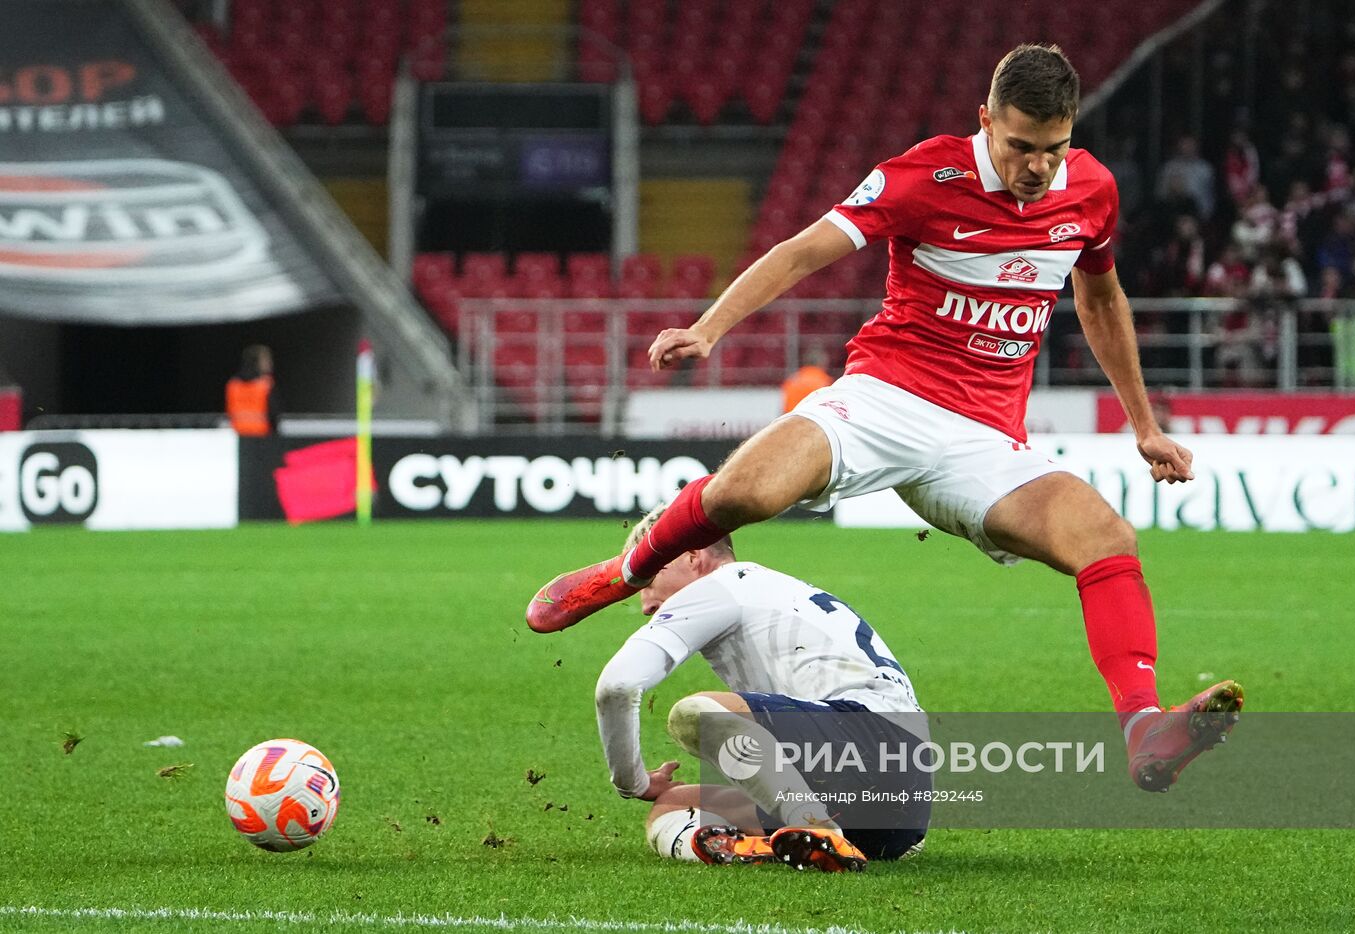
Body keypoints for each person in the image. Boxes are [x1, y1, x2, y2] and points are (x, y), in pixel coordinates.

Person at [529, 44, 1243, 792]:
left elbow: (1100, 300)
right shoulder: (925, 175)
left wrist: (1144, 425)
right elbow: (804, 250)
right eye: (1020, 147)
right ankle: (626, 570)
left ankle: (1144, 728)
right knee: (747, 493)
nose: (1037, 168)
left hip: (985, 440)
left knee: (1106, 537)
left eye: (1053, 149)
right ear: (986, 123)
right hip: (885, 398)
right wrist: (710, 328)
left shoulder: (1090, 190)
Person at [593, 504, 928, 872]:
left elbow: (617, 684)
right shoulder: (770, 588)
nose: (644, 603)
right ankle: (766, 846)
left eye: (647, 576)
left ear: (692, 555)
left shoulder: (721, 585)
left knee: (696, 715)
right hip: (902, 800)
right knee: (673, 805)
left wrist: (633, 782)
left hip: (868, 742)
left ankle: (812, 825)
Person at [225, 344, 280, 437]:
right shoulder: (266, 384)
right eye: (266, 360)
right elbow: (274, 413)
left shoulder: (233, 384)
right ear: (256, 362)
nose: (270, 364)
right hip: (261, 436)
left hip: (237, 435)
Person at [780, 345, 834, 412]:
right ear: (822, 363)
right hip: (811, 419)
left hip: (791, 418)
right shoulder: (825, 382)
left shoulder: (792, 380)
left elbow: (784, 406)